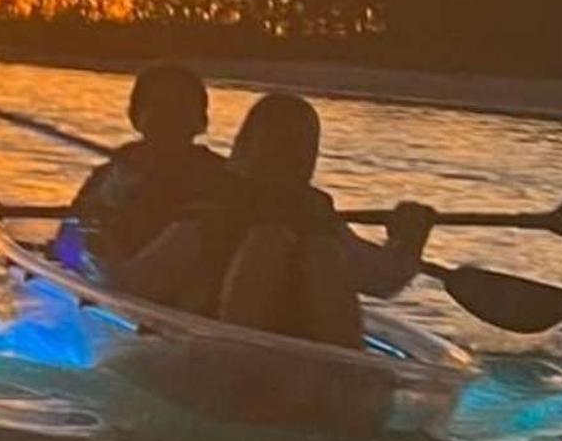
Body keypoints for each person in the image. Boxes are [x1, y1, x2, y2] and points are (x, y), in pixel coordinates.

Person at [107, 93, 432, 347]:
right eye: (280, 148)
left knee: (318, 250)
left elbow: (382, 280)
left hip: (280, 370)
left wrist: (408, 240)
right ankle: (246, 358)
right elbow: (138, 285)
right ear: (246, 149)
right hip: (226, 356)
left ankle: (345, 371)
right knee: (270, 240)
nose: (292, 159)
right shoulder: (212, 214)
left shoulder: (315, 220)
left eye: (300, 150)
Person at [70, 64, 230, 258]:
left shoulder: (221, 182)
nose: (169, 116)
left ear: (202, 121)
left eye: (180, 106)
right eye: (157, 105)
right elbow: (73, 234)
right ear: (134, 116)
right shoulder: (108, 175)